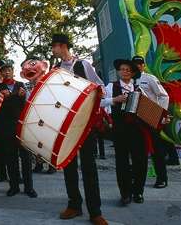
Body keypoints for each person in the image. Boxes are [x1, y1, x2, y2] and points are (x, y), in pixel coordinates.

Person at [51, 34, 108, 225]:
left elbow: (100, 86)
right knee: (68, 167)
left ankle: (95, 212)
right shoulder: (56, 70)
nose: (53, 50)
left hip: (85, 124)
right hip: (66, 125)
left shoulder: (82, 65)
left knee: (89, 168)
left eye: (55, 46)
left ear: (63, 46)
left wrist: (97, 95)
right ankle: (74, 204)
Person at [104, 59, 148, 207]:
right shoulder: (112, 86)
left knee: (140, 161)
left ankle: (138, 191)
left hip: (137, 130)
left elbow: (146, 109)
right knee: (122, 162)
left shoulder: (138, 89)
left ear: (133, 73)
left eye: (128, 70)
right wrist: (114, 99)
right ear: (118, 71)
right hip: (120, 130)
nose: (124, 72)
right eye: (122, 69)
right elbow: (100, 101)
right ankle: (125, 193)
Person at [0, 63, 37, 198]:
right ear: (1, 74)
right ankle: (13, 186)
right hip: (6, 126)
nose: (7, 72)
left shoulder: (22, 85)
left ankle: (29, 187)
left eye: (9, 70)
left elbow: (29, 102)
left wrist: (22, 95)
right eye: (4, 71)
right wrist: (2, 97)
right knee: (10, 158)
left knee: (26, 157)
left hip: (21, 126)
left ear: (13, 72)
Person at [132, 55, 170, 189]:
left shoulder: (149, 78)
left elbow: (164, 96)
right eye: (135, 63)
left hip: (150, 115)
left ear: (143, 65)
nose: (137, 66)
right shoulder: (130, 80)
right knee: (137, 150)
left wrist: (159, 114)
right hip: (135, 118)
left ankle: (162, 178)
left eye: (139, 63)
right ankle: (136, 178)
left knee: (156, 150)